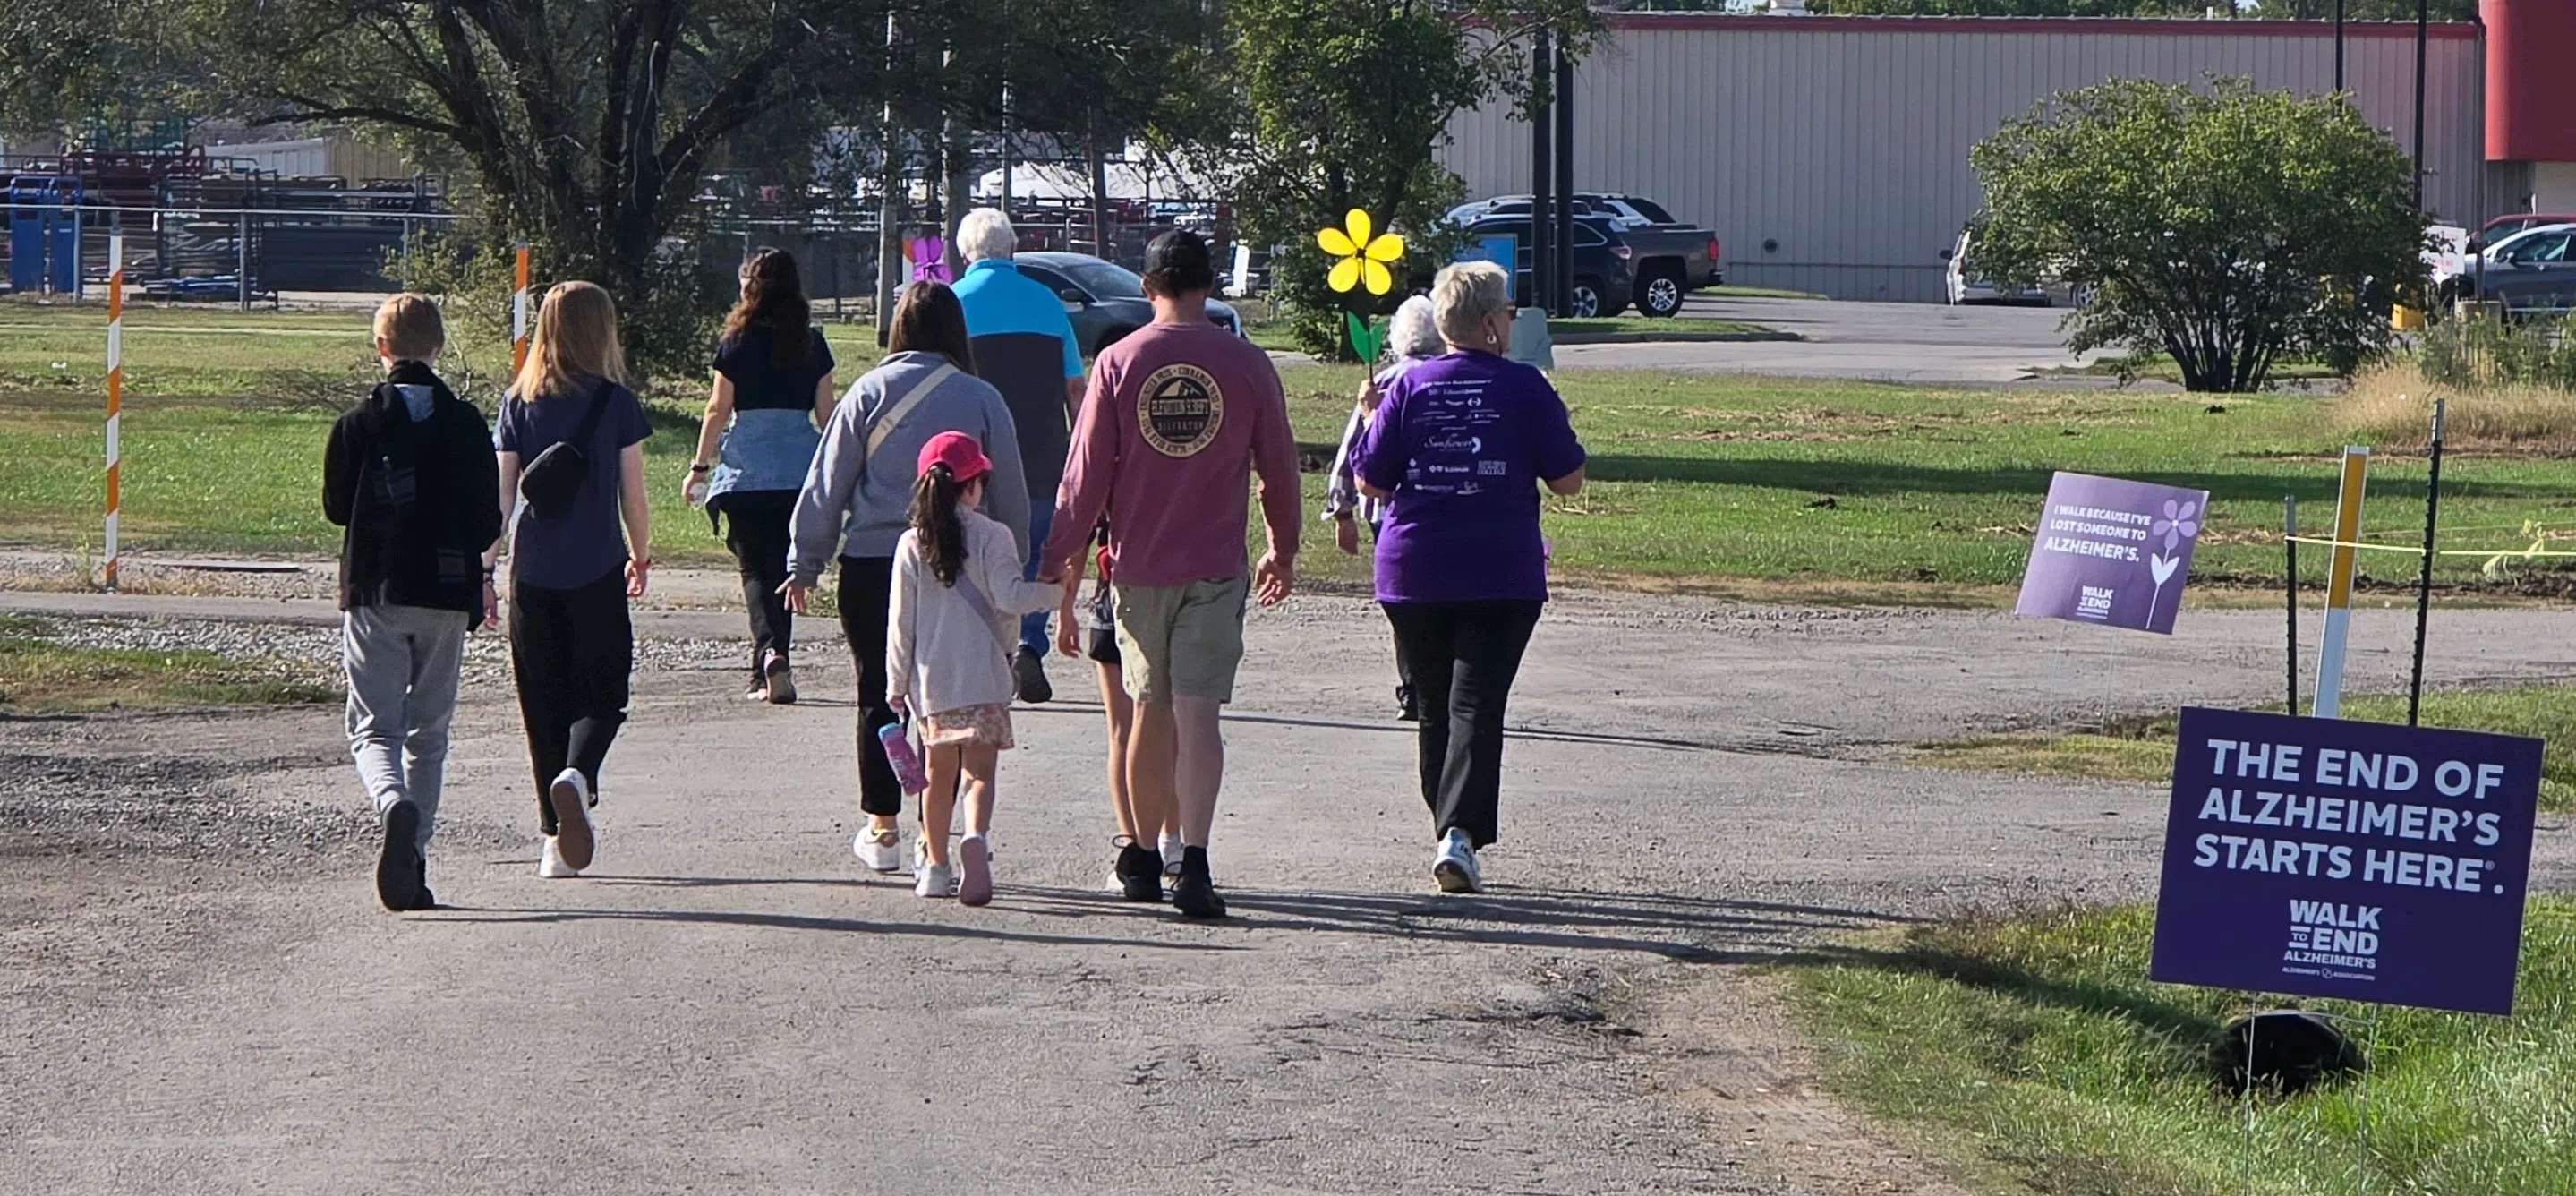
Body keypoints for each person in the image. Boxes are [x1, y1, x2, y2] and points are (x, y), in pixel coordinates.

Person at [1040, 229, 1302, 918]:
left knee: (1146, 716)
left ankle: (1142, 859)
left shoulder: (1120, 362)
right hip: (1214, 565)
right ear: (1208, 286)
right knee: (1200, 718)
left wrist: (1059, 555)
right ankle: (1196, 861)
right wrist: (1284, 544)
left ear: (1147, 287)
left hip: (1139, 567)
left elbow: (1085, 472)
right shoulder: (1247, 364)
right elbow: (1277, 465)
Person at [1353, 261, 1587, 893]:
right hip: (1498, 571)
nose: (1512, 321)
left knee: (1435, 707)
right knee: (1476, 705)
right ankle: (1457, 835)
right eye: (1509, 312)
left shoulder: (1407, 386)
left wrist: (1371, 418)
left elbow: (1371, 479)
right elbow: (1568, 479)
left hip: (1414, 568)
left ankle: (1449, 832)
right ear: (1489, 324)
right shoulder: (1526, 387)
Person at [787, 281, 1028, 876]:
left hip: (874, 561)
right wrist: (1012, 569)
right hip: (965, 561)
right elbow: (1014, 496)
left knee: (882, 692)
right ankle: (937, 840)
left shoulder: (866, 394)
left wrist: (804, 562)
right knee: (949, 701)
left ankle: (882, 826)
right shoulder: (982, 398)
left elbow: (826, 485)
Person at [322, 294, 503, 911]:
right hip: (447, 593)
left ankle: (390, 802)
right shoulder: (467, 423)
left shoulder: (357, 424)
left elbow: (335, 508)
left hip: (378, 586)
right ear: (439, 348)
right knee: (431, 731)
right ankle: (416, 853)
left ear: (381, 349)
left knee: (374, 725)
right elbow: (486, 522)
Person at [490, 280, 654, 880]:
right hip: (597, 569)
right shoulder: (617, 404)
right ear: (601, 331)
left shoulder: (517, 402)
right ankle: (579, 777)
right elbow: (631, 493)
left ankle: (553, 843)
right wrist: (641, 553)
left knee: (543, 706)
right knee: (604, 692)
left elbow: (501, 498)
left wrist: (487, 568)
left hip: (532, 576)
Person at [886, 431, 1067, 904]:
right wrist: (1057, 592)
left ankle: (936, 866)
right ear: (973, 486)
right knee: (980, 774)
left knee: (937, 778)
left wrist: (895, 684)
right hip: (985, 676)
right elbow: (1011, 598)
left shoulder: (911, 545)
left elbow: (900, 624)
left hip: (933, 683)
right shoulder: (994, 536)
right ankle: (977, 839)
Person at [687, 248, 836, 704]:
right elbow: (828, 411)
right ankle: (777, 655)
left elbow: (718, 409)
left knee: (755, 569)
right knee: (786, 569)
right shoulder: (812, 343)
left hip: (747, 473)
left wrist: (699, 467)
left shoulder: (735, 343)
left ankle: (768, 658)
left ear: (750, 287)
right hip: (798, 472)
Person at [950, 208, 1086, 705]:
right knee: (1032, 557)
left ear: (965, 254)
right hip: (1042, 452)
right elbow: (1075, 386)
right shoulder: (1048, 303)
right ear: (1012, 249)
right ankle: (1029, 642)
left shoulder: (951, 303)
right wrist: (1079, 450)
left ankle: (984, 652)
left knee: (970, 555)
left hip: (970, 461)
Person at [1324, 293, 1442, 722]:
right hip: (1436, 506)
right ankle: (1438, 682)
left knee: (1404, 604)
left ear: (1396, 338)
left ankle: (1412, 688)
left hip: (1385, 515)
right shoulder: (1444, 377)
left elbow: (1351, 450)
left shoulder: (1385, 382)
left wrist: (1342, 511)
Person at [1053, 525, 1182, 898]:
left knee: (1123, 733)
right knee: (1166, 726)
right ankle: (1171, 842)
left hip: (1116, 593)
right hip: (1176, 592)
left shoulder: (1113, 469)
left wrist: (1066, 610)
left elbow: (1077, 538)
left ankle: (1133, 846)